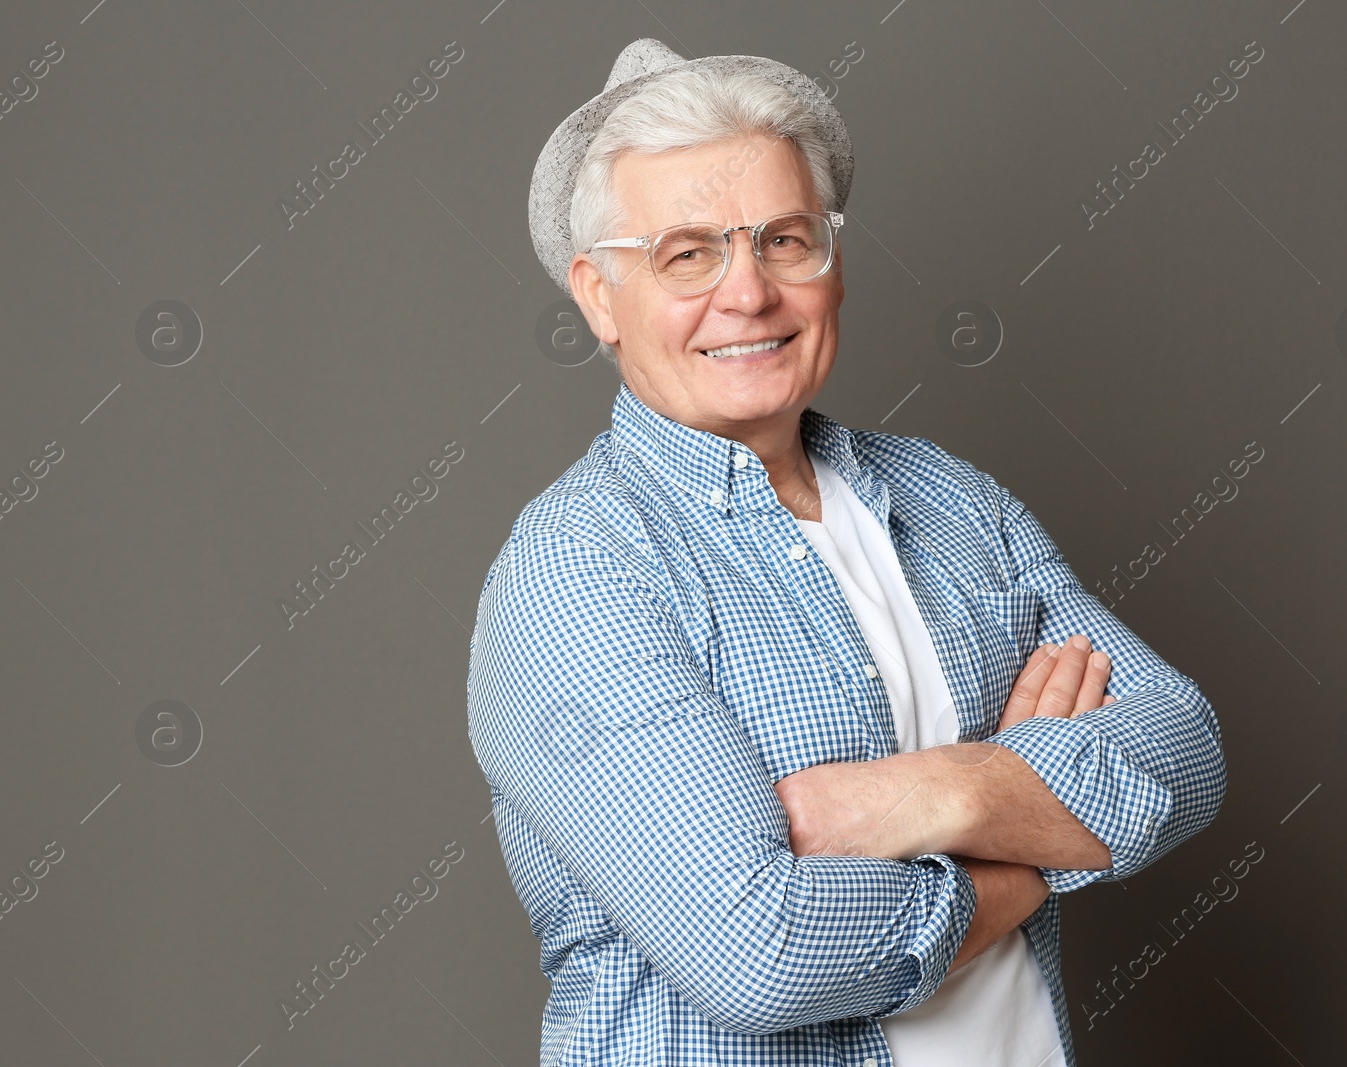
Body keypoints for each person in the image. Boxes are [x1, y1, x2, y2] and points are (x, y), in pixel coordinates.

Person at [467, 37, 1226, 1066]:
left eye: (782, 239)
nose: (747, 293)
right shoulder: (577, 570)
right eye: (686, 253)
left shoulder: (951, 499)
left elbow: (1183, 749)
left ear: (829, 258)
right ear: (599, 294)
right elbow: (761, 952)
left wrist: (932, 793)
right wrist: (1040, 843)